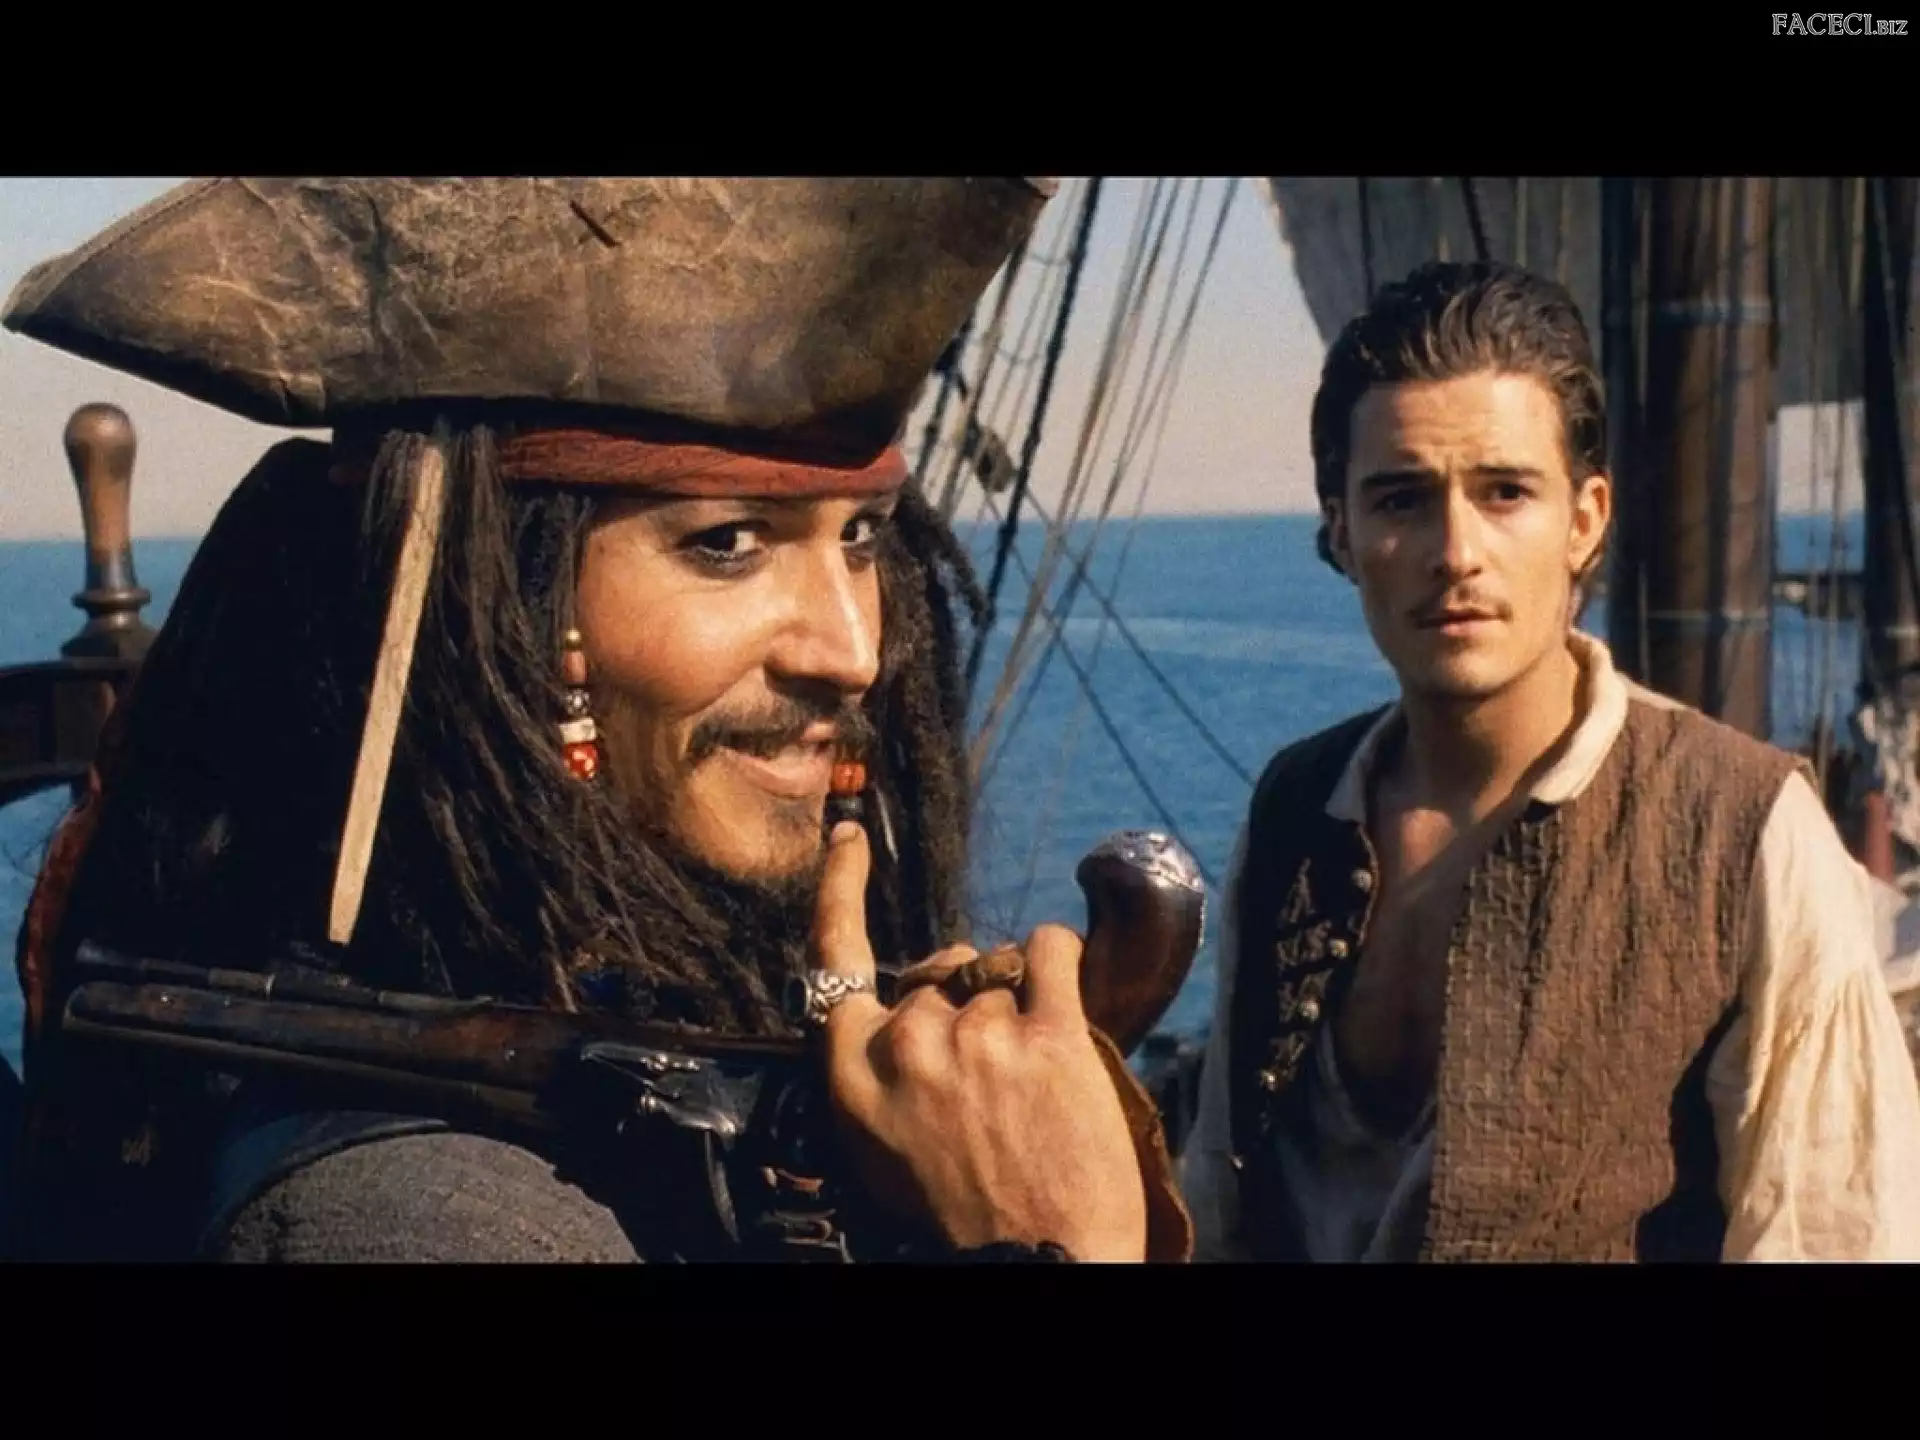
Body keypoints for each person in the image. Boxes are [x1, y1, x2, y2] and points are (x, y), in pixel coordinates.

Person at [4, 177, 1185, 1263]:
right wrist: (1054, 1236)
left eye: (862, 538)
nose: (852, 650)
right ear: (502, 611)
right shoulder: (429, 1229)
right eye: (728, 544)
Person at [1178, 259, 1920, 1262]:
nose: (1456, 551)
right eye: (1401, 500)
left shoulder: (1743, 833)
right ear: (1341, 531)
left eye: (1505, 492)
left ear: (1584, 519)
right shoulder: (1296, 809)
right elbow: (1218, 1206)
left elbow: (1838, 1238)